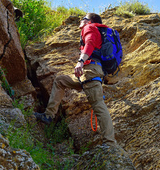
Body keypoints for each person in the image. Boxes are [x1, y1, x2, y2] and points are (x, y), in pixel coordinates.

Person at [35, 13, 116, 146]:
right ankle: (49, 115)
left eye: (83, 18)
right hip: (89, 72)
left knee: (98, 105)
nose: (81, 20)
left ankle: (110, 142)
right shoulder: (98, 31)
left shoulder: (89, 28)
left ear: (89, 21)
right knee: (60, 80)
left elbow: (89, 43)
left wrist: (80, 62)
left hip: (90, 70)